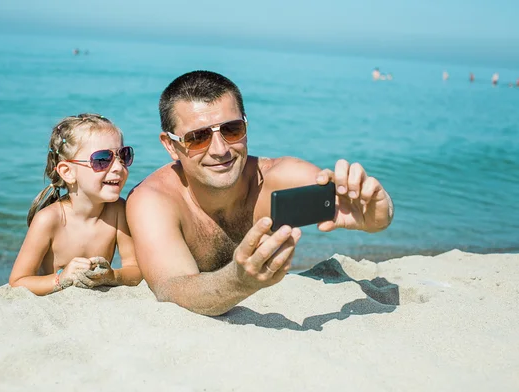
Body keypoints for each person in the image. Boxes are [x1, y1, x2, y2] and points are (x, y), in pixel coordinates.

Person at [125, 71, 394, 316]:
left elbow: (359, 209)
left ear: (246, 126)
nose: (220, 149)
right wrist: (239, 280)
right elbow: (171, 288)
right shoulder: (153, 201)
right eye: (198, 137)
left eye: (232, 129)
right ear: (171, 146)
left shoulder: (281, 177)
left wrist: (377, 216)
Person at [10, 114, 142, 295]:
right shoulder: (49, 219)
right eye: (103, 159)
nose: (118, 167)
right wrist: (61, 278)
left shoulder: (118, 211)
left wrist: (112, 276)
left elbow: (136, 269)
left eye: (123, 156)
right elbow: (18, 281)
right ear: (67, 172)